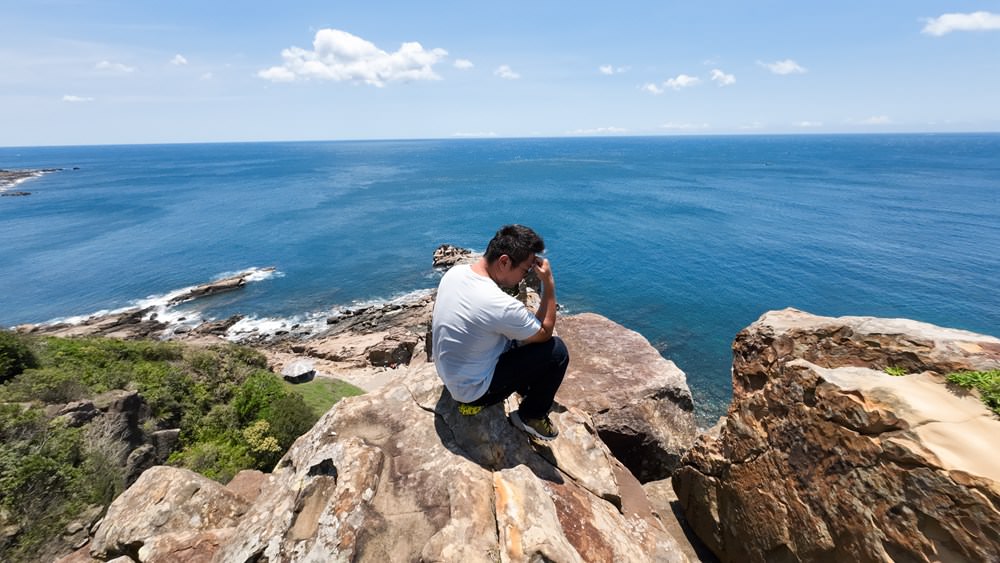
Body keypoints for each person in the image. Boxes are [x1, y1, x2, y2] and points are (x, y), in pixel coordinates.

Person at [431, 224, 569, 441]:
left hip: (451, 375)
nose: (524, 277)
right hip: (472, 392)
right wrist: (548, 283)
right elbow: (545, 333)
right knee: (557, 352)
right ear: (504, 261)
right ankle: (530, 416)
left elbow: (533, 328)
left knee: (525, 339)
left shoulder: (455, 273)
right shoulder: (498, 304)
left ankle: (526, 389)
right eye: (525, 270)